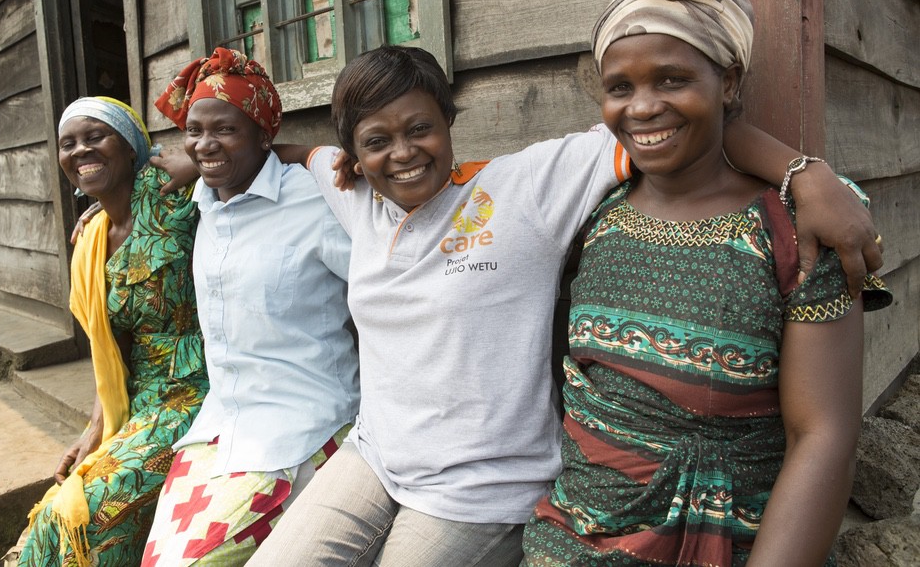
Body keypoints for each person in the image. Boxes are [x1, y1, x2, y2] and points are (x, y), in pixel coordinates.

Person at [244, 42, 883, 566]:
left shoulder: (523, 189)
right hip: (376, 455)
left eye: (420, 129)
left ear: (448, 123)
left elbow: (665, 133)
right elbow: (306, 153)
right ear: (354, 153)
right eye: (376, 141)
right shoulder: (356, 196)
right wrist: (223, 157)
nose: (403, 153)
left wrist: (806, 174)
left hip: (480, 482)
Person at [520, 0, 892, 567]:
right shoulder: (596, 213)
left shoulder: (796, 230)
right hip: (567, 539)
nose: (642, 107)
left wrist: (807, 175)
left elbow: (822, 437)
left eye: (673, 79)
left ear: (729, 82)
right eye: (620, 88)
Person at [139, 48, 359, 565]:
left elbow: (382, 285)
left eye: (226, 130)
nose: (205, 144)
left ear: (265, 136)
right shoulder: (206, 201)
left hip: (304, 425)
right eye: (194, 130)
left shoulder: (314, 200)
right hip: (222, 422)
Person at [16, 97, 209, 567]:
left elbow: (243, 161)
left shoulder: (176, 196)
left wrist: (198, 165)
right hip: (143, 400)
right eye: (69, 144)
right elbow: (113, 353)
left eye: (95, 136)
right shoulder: (93, 238)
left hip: (202, 393)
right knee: (50, 522)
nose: (81, 151)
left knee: (89, 512)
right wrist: (96, 426)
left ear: (131, 147)